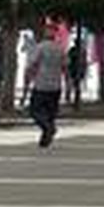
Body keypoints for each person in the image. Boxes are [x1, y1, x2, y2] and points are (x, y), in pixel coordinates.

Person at [25, 18, 68, 148]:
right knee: (50, 113)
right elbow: (65, 66)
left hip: (41, 84)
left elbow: (32, 64)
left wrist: (28, 77)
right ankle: (45, 139)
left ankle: (48, 128)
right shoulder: (60, 49)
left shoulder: (41, 47)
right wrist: (68, 83)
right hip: (55, 85)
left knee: (35, 111)